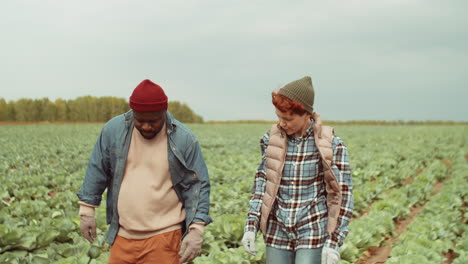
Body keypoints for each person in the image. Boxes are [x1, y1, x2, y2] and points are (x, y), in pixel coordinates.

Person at [77, 79, 212, 264]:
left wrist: (196, 230)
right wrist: (86, 212)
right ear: (132, 113)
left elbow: (197, 185)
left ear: (164, 113)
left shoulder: (184, 139)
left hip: (165, 237)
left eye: (154, 121)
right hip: (122, 235)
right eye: (140, 121)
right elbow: (97, 169)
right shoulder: (113, 131)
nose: (147, 127)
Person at [241, 76, 353, 264]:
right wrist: (251, 225)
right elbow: (262, 184)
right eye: (279, 117)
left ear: (306, 114)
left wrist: (334, 241)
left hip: (312, 225)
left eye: (288, 118)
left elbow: (342, 194)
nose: (282, 123)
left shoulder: (331, 145)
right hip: (278, 227)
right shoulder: (270, 140)